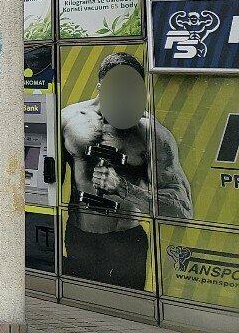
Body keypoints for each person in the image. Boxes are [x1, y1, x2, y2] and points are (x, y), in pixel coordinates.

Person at [61, 52, 192, 290]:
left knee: (126, 305)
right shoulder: (68, 120)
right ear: (100, 87)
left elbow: (182, 210)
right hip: (80, 237)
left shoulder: (152, 134)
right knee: (79, 302)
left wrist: (124, 188)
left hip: (126, 242)